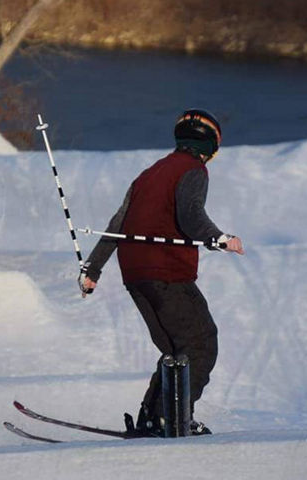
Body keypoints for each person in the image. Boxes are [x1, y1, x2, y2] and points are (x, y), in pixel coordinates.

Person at [78, 109, 244, 437]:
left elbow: (119, 223)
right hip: (167, 271)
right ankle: (172, 418)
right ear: (210, 146)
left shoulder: (150, 173)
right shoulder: (193, 169)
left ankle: (153, 419)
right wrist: (220, 239)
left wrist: (93, 267)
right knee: (200, 343)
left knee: (176, 351)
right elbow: (191, 214)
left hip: (136, 274)